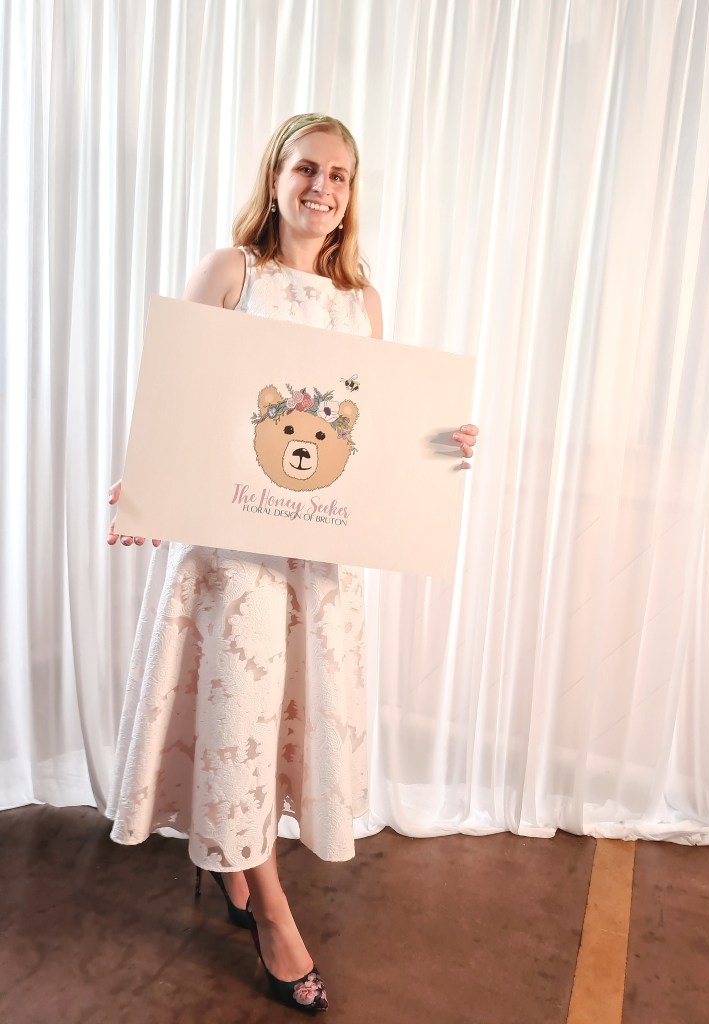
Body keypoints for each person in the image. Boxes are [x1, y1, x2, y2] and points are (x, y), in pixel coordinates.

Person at [106, 112, 478, 1013]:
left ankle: (238, 872)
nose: (323, 187)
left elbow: (375, 433)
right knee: (239, 712)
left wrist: (443, 443)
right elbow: (174, 391)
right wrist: (143, 491)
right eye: (307, 168)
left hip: (321, 556)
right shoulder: (231, 273)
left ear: (353, 197)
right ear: (275, 177)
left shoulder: (363, 303)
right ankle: (273, 914)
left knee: (283, 722)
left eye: (340, 176)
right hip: (235, 554)